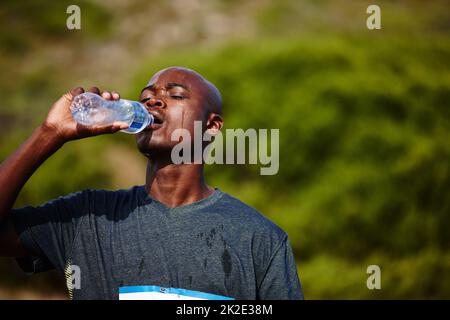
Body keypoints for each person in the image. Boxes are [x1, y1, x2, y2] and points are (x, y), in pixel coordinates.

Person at [0, 67, 303, 300]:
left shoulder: (259, 238)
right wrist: (49, 133)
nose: (152, 101)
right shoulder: (87, 217)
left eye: (175, 95)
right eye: (145, 97)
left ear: (211, 127)